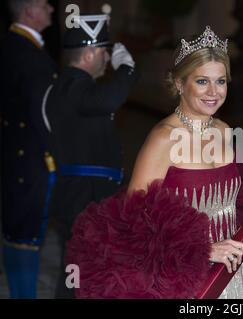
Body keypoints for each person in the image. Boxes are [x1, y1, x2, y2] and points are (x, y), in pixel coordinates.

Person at [65, 26, 243, 299]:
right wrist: (202, 250)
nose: (214, 92)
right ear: (180, 83)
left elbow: (238, 200)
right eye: (202, 81)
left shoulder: (226, 131)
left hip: (234, 276)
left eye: (221, 81)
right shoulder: (163, 140)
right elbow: (132, 227)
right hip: (184, 282)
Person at [44, 12, 137, 298]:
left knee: (82, 270)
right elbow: (108, 100)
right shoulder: (74, 87)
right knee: (79, 273)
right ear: (90, 55)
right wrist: (128, 70)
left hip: (81, 196)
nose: (107, 60)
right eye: (104, 53)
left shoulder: (67, 87)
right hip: (84, 197)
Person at [0, 0, 57, 299]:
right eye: (43, 4)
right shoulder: (29, 56)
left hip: (14, 156)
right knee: (26, 237)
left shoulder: (12, 45)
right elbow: (45, 116)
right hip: (33, 161)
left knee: (16, 233)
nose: (50, 8)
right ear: (30, 11)